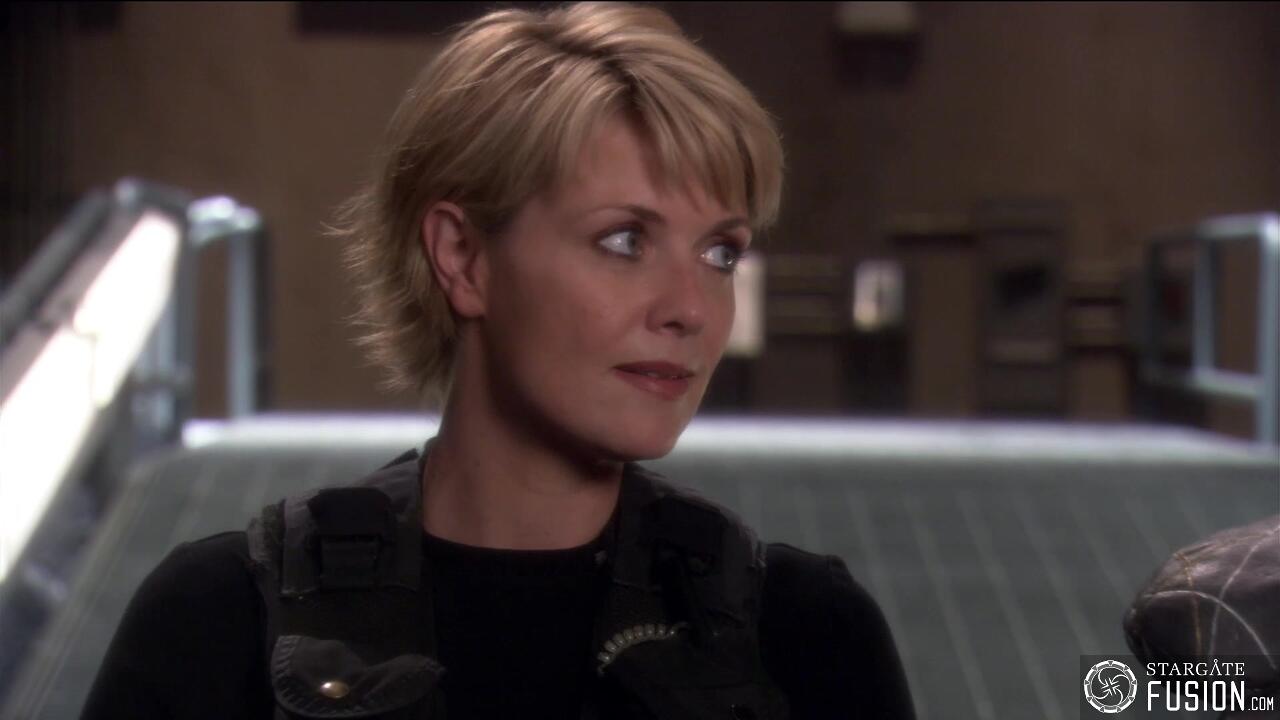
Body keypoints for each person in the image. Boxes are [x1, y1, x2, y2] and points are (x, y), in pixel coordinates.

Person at [82, 3, 914, 718]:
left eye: (720, 253)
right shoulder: (220, 626)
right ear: (463, 257)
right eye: (625, 240)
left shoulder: (805, 638)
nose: (691, 308)